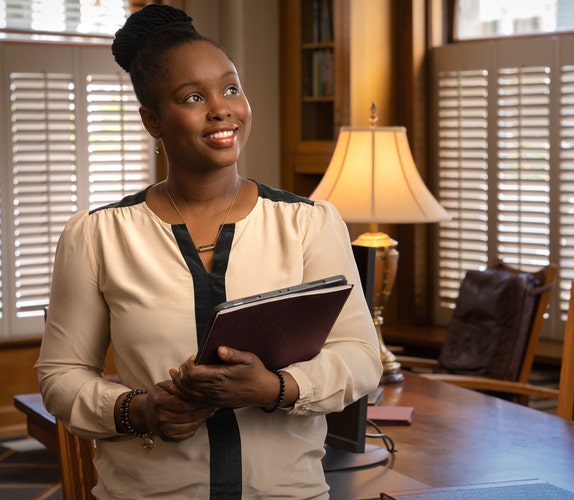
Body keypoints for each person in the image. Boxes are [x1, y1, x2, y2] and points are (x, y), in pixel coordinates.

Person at [35, 4, 382, 499]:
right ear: (153, 120)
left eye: (231, 88)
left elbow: (362, 357)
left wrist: (275, 388)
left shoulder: (309, 223)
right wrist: (139, 410)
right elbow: (61, 376)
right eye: (193, 96)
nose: (221, 109)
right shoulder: (98, 235)